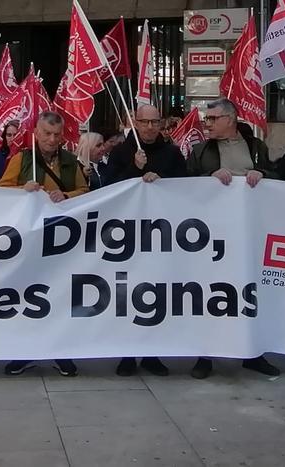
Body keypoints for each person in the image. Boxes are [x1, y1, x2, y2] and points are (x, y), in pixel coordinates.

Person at [185, 98, 280, 380]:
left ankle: (252, 353)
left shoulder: (256, 147)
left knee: (249, 291)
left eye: (213, 119)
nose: (208, 124)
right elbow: (184, 183)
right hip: (212, 235)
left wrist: (260, 172)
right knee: (211, 292)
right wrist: (209, 175)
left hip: (248, 233)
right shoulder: (200, 150)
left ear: (231, 119)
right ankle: (205, 355)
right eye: (207, 119)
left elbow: (276, 175)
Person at [0, 111, 86, 377]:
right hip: (28, 240)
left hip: (61, 241)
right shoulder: (21, 159)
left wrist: (67, 194)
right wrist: (23, 191)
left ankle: (61, 353)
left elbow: (85, 191)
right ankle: (24, 353)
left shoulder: (70, 161)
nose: (51, 139)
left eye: (57, 135)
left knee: (60, 297)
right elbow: (1, 188)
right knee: (28, 297)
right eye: (47, 133)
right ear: (36, 133)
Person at [106, 103, 185, 377]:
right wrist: (133, 169)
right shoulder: (120, 152)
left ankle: (152, 353)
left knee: (155, 296)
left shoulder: (172, 153)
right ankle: (127, 353)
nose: (150, 128)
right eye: (145, 122)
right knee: (128, 295)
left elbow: (186, 186)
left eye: (155, 122)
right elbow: (107, 189)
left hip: (162, 235)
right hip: (127, 236)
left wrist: (162, 180)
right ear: (135, 123)